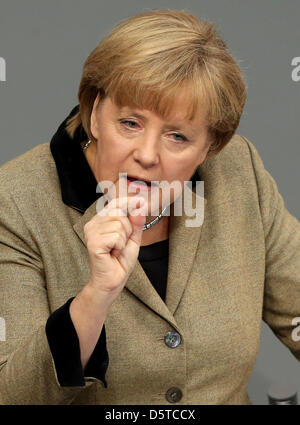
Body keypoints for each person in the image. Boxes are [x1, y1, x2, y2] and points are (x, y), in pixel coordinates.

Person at [0, 9, 299, 405]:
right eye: (130, 123)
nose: (146, 154)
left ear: (210, 147)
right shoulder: (15, 201)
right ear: (94, 112)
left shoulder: (237, 170)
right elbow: (13, 396)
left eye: (177, 136)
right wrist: (96, 297)